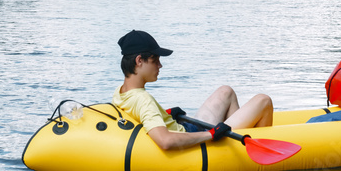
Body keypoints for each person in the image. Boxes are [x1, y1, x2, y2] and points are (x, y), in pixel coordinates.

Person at [113, 30, 274, 151]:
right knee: (263, 100)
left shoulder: (120, 92)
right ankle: (262, 150)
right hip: (189, 137)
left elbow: (139, 113)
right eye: (155, 60)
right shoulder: (143, 100)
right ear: (139, 61)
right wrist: (211, 134)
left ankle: (238, 146)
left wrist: (165, 114)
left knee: (227, 92)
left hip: (186, 129)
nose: (160, 66)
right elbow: (165, 141)